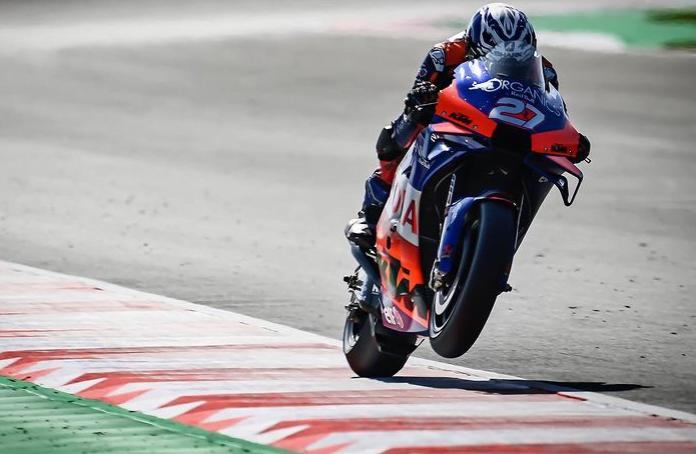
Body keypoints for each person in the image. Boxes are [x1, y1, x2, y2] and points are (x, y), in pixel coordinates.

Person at [346, 3, 591, 250]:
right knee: (401, 133)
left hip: (510, 131)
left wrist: (569, 139)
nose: (508, 60)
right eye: (495, 54)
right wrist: (422, 104)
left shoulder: (545, 71)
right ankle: (371, 215)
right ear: (473, 44)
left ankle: (505, 229)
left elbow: (554, 110)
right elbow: (418, 96)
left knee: (544, 162)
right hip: (457, 121)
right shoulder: (444, 55)